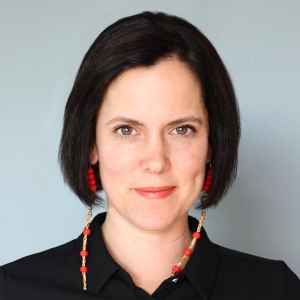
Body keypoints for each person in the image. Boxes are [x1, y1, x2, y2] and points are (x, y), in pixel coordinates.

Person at [0, 11, 299, 300]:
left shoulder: (278, 289)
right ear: (91, 144)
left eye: (181, 129)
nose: (156, 162)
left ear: (212, 143)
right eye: (126, 130)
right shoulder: (12, 290)